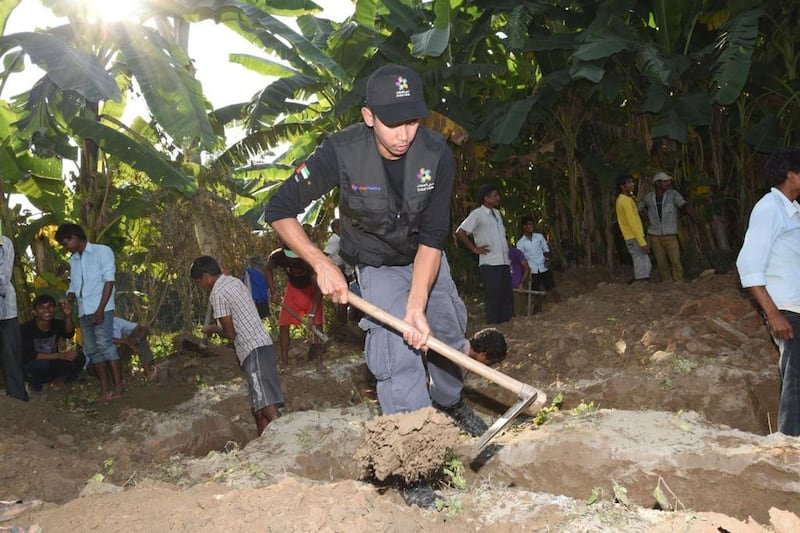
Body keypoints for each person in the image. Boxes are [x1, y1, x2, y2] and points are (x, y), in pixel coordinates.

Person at [264, 63, 486, 509]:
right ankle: (409, 463)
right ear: (368, 116)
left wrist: (418, 304)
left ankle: (449, 401)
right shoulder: (340, 152)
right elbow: (279, 208)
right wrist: (320, 261)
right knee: (398, 353)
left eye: (412, 120)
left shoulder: (437, 153)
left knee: (444, 333)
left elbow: (433, 237)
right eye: (392, 121)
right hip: (376, 268)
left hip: (426, 261)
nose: (404, 133)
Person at [736, 148, 800, 436]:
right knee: (795, 383)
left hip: (795, 306)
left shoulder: (791, 210)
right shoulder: (770, 208)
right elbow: (748, 263)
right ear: (792, 175)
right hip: (787, 310)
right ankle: (789, 446)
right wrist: (773, 314)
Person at [190, 256, 283, 436]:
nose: (201, 285)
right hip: (262, 343)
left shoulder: (217, 293)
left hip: (251, 349)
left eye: (199, 281)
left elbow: (230, 333)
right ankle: (262, 443)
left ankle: (284, 441)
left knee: (266, 405)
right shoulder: (233, 281)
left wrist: (212, 329)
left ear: (207, 276)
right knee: (258, 404)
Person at [55, 223, 122, 402]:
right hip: (84, 310)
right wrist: (69, 298)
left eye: (66, 242)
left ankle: (118, 387)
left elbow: (109, 281)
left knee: (105, 346)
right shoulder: (74, 260)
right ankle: (104, 389)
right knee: (93, 351)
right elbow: (74, 287)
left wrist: (100, 310)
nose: (65, 247)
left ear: (75, 237)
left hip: (102, 308)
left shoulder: (102, 251)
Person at [456, 184, 514, 323]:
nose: (498, 198)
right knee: (493, 294)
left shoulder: (498, 214)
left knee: (506, 293)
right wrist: (475, 249)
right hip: (490, 261)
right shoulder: (477, 214)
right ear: (486, 198)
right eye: (495, 195)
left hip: (504, 260)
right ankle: (493, 323)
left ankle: (508, 322)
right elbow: (460, 232)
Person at [265, 245, 325, 369]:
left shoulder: (309, 258)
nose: (293, 260)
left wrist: (312, 314)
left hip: (312, 291)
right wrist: (273, 292)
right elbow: (268, 269)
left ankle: (319, 363)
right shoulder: (277, 256)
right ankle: (284, 363)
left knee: (318, 326)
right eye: (290, 257)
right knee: (283, 324)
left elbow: (319, 289)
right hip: (293, 290)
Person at [20, 294, 86, 392]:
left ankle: (60, 380)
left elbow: (69, 333)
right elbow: (30, 355)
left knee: (78, 357)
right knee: (40, 364)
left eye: (50, 306)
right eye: (41, 307)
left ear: (55, 309)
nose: (47, 310)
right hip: (34, 365)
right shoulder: (26, 328)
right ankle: (35, 384)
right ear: (34, 312)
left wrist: (68, 316)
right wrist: (60, 355)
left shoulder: (56, 323)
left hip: (52, 361)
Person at [639, 172, 689, 282]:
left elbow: (682, 204)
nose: (668, 183)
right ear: (658, 183)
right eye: (665, 181)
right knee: (661, 262)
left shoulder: (673, 194)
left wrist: (686, 213)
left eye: (668, 181)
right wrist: (647, 219)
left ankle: (678, 280)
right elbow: (639, 209)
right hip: (655, 234)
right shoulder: (649, 197)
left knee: (675, 260)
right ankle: (667, 282)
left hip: (670, 233)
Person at [0, 234, 28, 401]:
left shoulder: (3, 242)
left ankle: (17, 399)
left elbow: (3, 276)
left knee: (11, 356)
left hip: (5, 312)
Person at [517, 216, 561, 312]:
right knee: (536, 294)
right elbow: (522, 259)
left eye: (532, 224)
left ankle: (562, 307)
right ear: (524, 227)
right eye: (529, 225)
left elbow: (546, 250)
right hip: (533, 270)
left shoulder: (539, 237)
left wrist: (547, 259)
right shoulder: (520, 243)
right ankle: (537, 312)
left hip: (543, 267)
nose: (531, 226)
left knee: (553, 288)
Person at [615, 174, 651, 283]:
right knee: (639, 257)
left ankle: (643, 279)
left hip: (634, 235)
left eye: (632, 182)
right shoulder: (625, 201)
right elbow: (632, 222)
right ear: (622, 186)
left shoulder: (626, 199)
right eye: (629, 183)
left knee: (643, 258)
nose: (632, 184)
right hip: (633, 235)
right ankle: (640, 280)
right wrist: (642, 241)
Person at [323, 219, 354, 324]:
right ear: (336, 228)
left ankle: (343, 324)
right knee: (342, 300)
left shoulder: (340, 240)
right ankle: (342, 325)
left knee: (343, 301)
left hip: (343, 272)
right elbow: (325, 255)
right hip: (338, 272)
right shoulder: (334, 240)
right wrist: (334, 268)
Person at [508, 241, 530, 317]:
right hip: (507, 286)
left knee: (519, 311)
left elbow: (526, 268)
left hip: (517, 284)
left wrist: (521, 282)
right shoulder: (498, 254)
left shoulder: (516, 252)